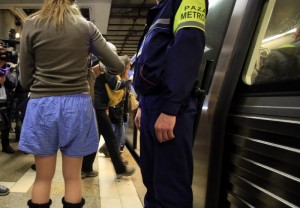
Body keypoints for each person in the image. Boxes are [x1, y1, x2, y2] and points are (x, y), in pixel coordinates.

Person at [18, 1, 124, 208]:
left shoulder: (31, 23)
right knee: (73, 178)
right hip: (77, 106)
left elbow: (24, 79)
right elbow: (117, 65)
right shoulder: (86, 26)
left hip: (42, 105)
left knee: (42, 178)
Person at [133, 0, 208, 207]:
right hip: (151, 103)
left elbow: (186, 50)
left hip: (168, 104)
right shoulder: (161, 10)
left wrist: (170, 108)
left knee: (170, 189)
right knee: (152, 183)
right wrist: (141, 103)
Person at [0, 44, 18, 154]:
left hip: (5, 100)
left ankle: (6, 146)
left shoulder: (8, 67)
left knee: (6, 126)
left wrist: (4, 74)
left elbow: (13, 84)